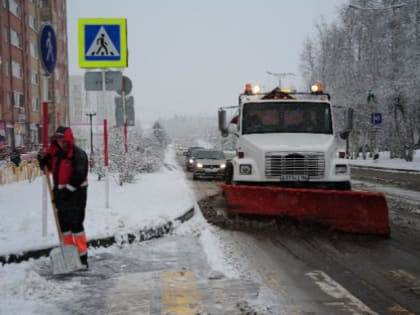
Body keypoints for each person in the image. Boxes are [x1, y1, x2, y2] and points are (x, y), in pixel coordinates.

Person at [38, 126, 90, 268]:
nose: (61, 143)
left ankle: (82, 257)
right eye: (58, 140)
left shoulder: (78, 155)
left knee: (76, 226)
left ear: (68, 139)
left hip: (76, 195)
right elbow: (50, 168)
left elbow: (79, 175)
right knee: (64, 227)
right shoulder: (56, 155)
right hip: (60, 195)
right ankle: (70, 256)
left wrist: (68, 190)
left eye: (63, 140)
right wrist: (43, 163)